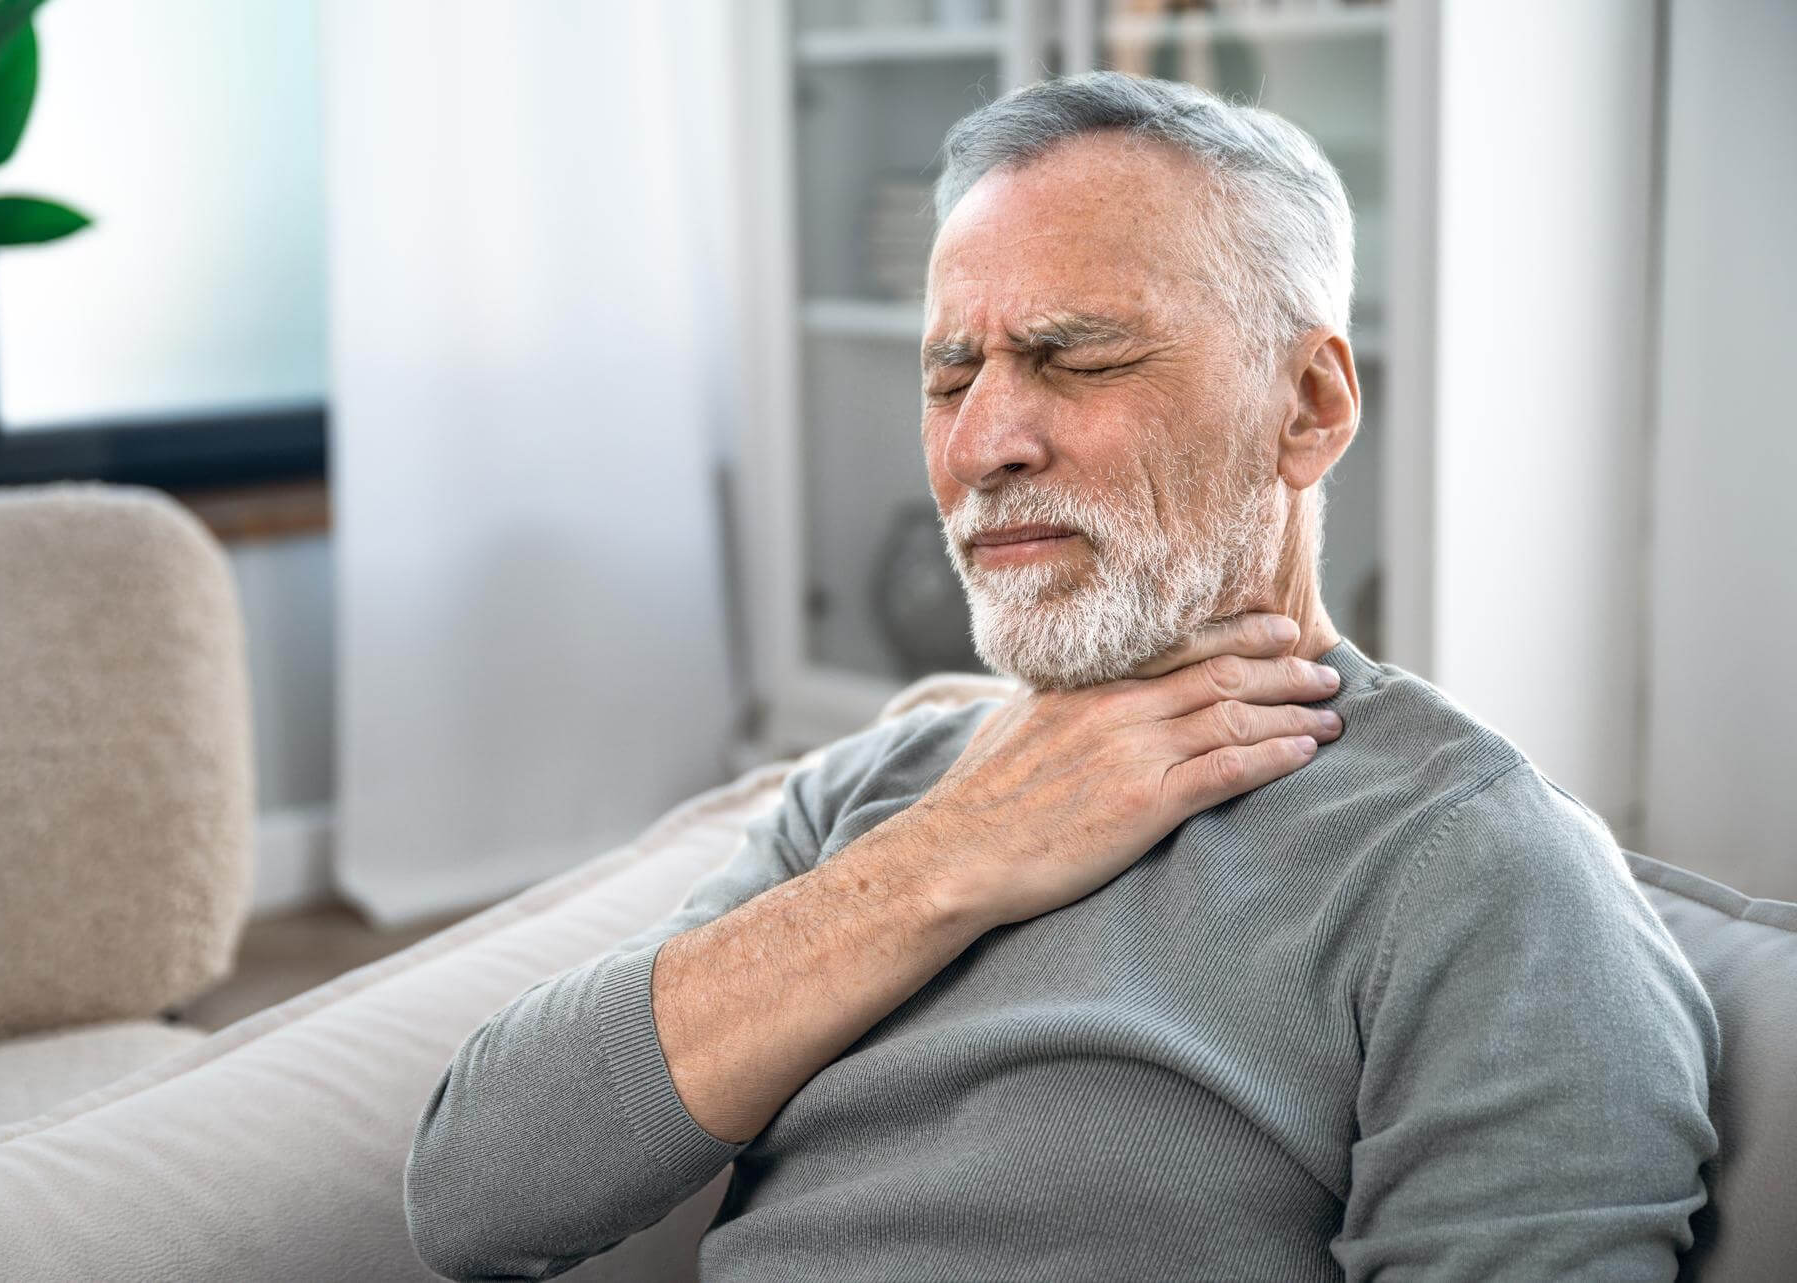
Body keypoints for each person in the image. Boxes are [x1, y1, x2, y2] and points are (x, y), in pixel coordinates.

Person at [403, 72, 1718, 1282]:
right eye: (949, 377)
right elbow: (474, 1200)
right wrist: (947, 858)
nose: (983, 444)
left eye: (1081, 359)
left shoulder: (1472, 865)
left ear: (1309, 406)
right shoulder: (878, 792)